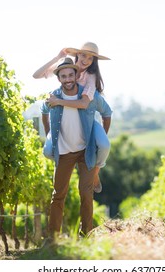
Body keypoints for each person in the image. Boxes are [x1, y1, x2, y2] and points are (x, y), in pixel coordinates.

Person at [40, 57, 112, 238]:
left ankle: (85, 235)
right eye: (63, 76)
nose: (68, 79)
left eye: (70, 75)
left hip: (85, 152)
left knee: (86, 195)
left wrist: (100, 136)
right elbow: (44, 112)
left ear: (75, 75)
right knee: (58, 195)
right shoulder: (52, 96)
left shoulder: (89, 96)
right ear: (59, 78)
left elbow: (107, 113)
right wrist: (51, 136)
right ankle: (53, 238)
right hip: (64, 153)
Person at [33, 42, 110, 193]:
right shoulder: (65, 69)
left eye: (90, 58)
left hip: (87, 119)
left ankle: (95, 171)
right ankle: (69, 160)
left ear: (93, 61)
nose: (86, 60)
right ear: (77, 55)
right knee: (48, 151)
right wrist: (57, 57)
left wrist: (58, 101)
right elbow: (36, 75)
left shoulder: (91, 76)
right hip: (67, 120)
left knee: (104, 145)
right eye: (83, 55)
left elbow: (84, 103)